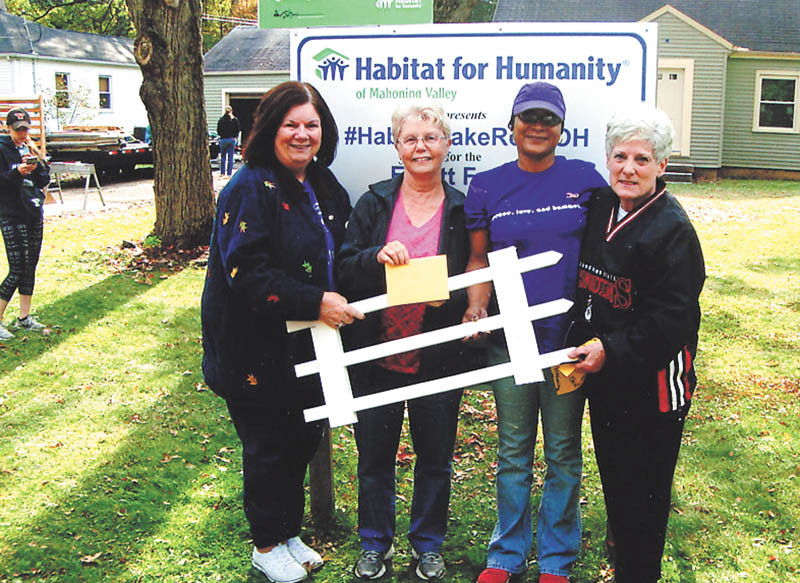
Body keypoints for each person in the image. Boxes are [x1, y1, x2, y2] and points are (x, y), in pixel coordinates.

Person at [201, 81, 363, 583]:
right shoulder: (249, 186)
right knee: (267, 445)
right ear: (269, 127)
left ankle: (289, 532)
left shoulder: (324, 183)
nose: (301, 134)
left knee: (299, 439)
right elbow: (246, 272)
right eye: (291, 124)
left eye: (311, 125)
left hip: (308, 344)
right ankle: (266, 545)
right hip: (254, 347)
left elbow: (342, 252)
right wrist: (316, 301)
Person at [463, 82, 607, 583]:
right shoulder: (488, 185)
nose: (538, 126)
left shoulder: (585, 180)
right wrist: (477, 310)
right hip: (511, 339)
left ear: (561, 127)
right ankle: (505, 555)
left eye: (548, 118)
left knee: (564, 450)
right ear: (512, 126)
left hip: (568, 338)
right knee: (513, 449)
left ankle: (556, 560)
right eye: (529, 117)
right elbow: (479, 258)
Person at [567, 105, 705, 583]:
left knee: (645, 492)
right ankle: (624, 559)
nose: (629, 168)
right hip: (609, 378)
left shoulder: (673, 231)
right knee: (617, 480)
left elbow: (674, 321)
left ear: (662, 166)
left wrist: (612, 347)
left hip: (655, 384)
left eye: (642, 159)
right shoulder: (602, 207)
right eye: (620, 156)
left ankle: (639, 571)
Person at [337, 102, 471, 581]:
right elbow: (345, 266)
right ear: (397, 146)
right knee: (374, 458)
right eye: (411, 139)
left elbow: (475, 278)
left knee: (435, 457)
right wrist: (377, 255)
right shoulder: (374, 203)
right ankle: (375, 543)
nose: (421, 148)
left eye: (431, 138)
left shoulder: (461, 208)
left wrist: (448, 303)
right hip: (376, 355)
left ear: (447, 145)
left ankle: (427, 544)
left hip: (436, 356)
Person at [0, 108, 51, 341]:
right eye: (18, 130)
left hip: (33, 212)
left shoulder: (30, 148)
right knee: (17, 268)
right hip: (11, 214)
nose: (22, 134)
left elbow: (44, 179)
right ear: (8, 128)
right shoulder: (2, 149)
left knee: (30, 266)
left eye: (25, 129)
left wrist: (37, 167)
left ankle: (24, 317)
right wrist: (16, 172)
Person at [217, 105, 240, 177]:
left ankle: (222, 173)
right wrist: (234, 136)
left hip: (223, 139)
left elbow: (218, 130)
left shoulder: (221, 120)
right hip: (231, 139)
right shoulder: (235, 120)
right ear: (231, 111)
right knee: (230, 157)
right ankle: (229, 173)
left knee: (223, 157)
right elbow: (238, 130)